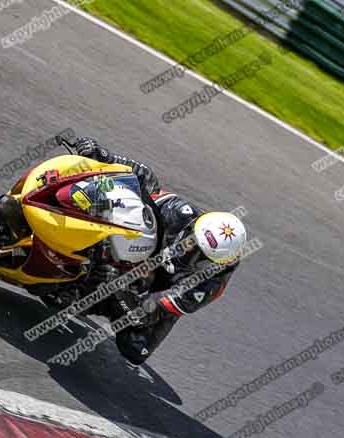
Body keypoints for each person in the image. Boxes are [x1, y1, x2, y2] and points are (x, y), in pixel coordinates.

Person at [73, 137, 247, 365]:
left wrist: (121, 293)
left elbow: (153, 310)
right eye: (192, 241)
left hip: (163, 287)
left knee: (136, 349)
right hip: (147, 251)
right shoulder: (180, 213)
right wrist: (104, 156)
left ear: (213, 264)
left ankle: (96, 299)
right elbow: (145, 179)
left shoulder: (209, 284)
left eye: (199, 255)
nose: (188, 249)